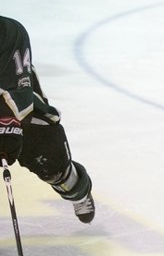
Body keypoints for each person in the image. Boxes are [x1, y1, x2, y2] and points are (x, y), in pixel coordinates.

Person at [0, 16, 94, 223]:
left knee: (52, 165)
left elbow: (17, 94)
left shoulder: (7, 32)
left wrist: (8, 121)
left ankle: (77, 191)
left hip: (21, 113)